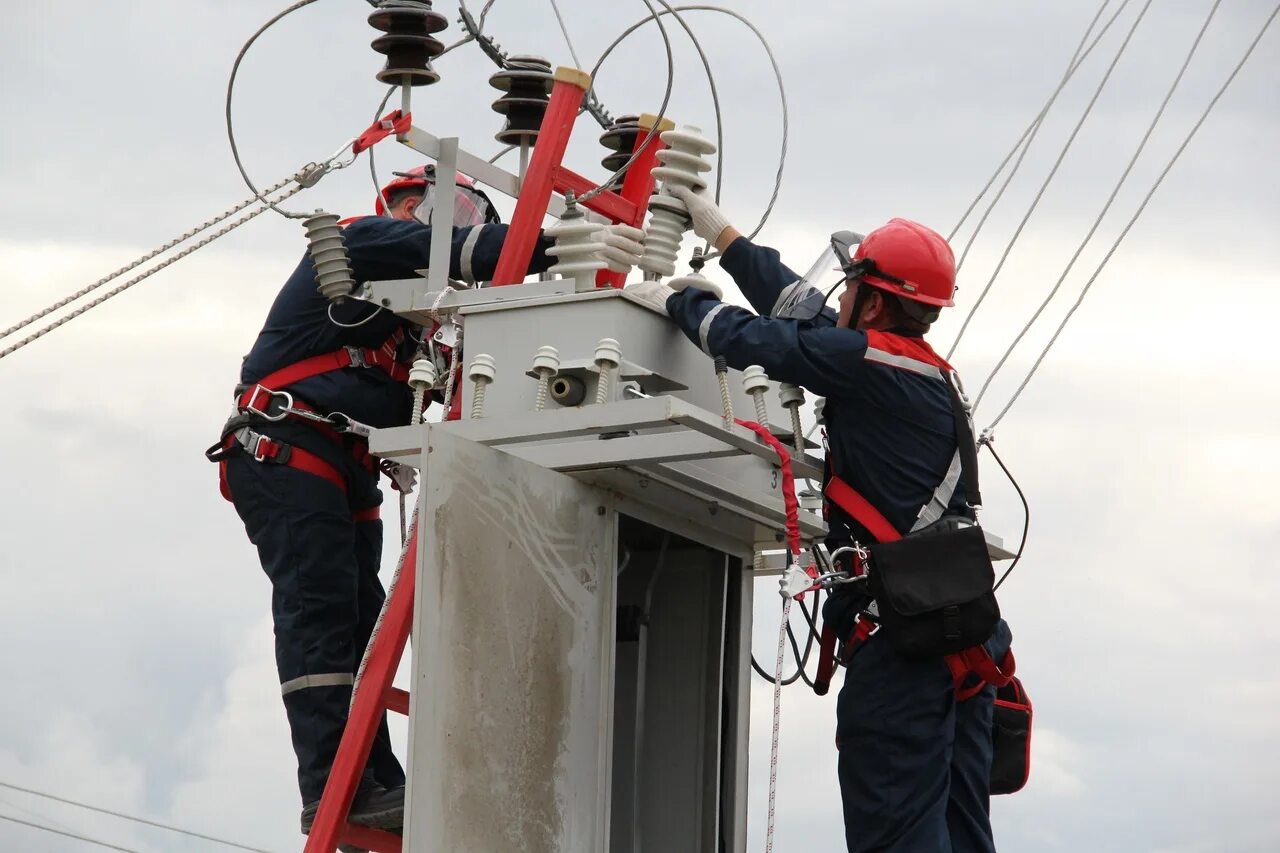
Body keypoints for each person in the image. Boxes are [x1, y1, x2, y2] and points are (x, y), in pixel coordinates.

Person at [208, 166, 643, 839]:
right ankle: (331, 787)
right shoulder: (364, 244)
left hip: (342, 466)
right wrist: (562, 245)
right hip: (288, 448)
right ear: (412, 203)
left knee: (362, 623)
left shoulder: (416, 326)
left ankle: (372, 780)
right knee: (320, 610)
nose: (463, 224)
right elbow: (484, 251)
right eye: (456, 209)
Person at [627, 186, 1013, 852]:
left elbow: (748, 338)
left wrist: (680, 298)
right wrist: (727, 242)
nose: (840, 298)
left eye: (852, 285)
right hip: (964, 639)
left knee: (897, 836)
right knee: (960, 835)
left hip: (904, 649)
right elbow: (799, 310)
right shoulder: (918, 369)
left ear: (875, 298)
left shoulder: (864, 362)